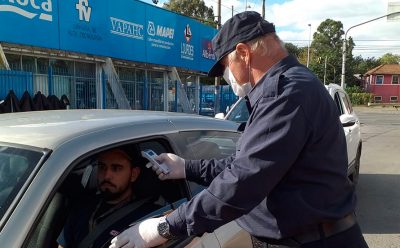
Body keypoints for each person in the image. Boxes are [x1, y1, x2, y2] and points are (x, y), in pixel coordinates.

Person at [109, 11, 369, 248]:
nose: (226, 75)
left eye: (224, 66)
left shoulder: (285, 94)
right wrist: (185, 168)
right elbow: (244, 164)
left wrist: (166, 227)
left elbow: (244, 180)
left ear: (244, 53)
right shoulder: (289, 86)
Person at [57, 148, 159, 248]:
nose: (106, 176)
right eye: (102, 167)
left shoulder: (148, 219)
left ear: (133, 174)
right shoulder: (82, 206)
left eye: (116, 168)